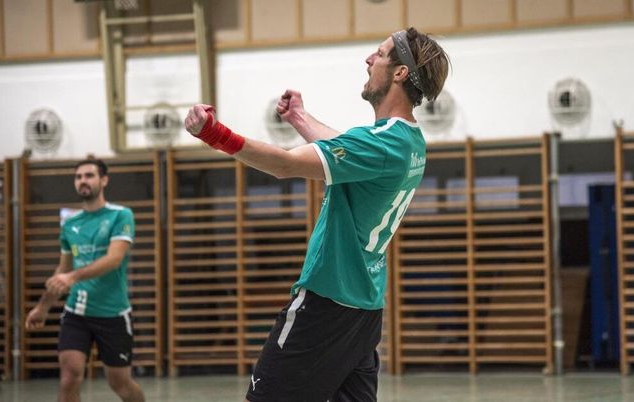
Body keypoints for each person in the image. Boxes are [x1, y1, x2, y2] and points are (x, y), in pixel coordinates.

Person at [185, 27, 450, 402]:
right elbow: (348, 150)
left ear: (399, 73)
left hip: (326, 302)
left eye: (379, 53)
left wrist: (216, 135)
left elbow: (285, 165)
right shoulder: (406, 141)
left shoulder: (383, 142)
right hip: (363, 309)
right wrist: (300, 117)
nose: (369, 59)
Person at [25, 159, 145, 402]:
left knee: (119, 383)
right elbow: (63, 270)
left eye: (89, 175)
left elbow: (113, 259)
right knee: (69, 376)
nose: (83, 181)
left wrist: (72, 276)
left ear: (103, 180)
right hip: (76, 313)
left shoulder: (120, 215)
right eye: (78, 176)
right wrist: (43, 306)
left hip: (113, 314)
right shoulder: (70, 224)